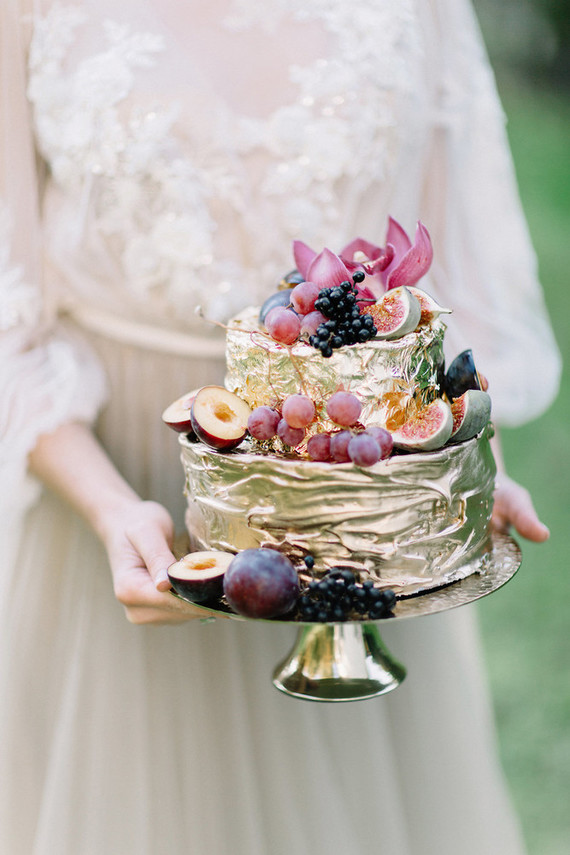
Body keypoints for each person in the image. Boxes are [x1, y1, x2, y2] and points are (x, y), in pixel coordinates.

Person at [0, 1, 561, 853]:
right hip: (119, 498)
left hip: (360, 513)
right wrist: (115, 513)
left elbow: (453, 290)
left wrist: (444, 468)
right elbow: (11, 319)